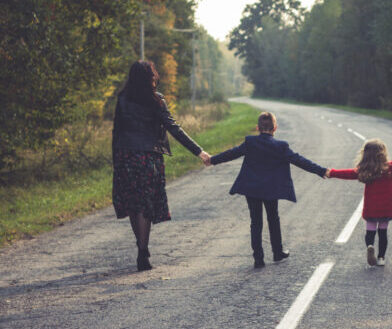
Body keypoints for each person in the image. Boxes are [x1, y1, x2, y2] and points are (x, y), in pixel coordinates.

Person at [112, 60, 210, 271]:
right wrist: (198, 151)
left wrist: (116, 160)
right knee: (146, 204)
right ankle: (143, 251)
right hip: (149, 158)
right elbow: (174, 128)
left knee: (132, 204)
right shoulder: (156, 100)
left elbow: (116, 131)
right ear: (151, 77)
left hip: (126, 156)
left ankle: (140, 245)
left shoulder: (122, 99)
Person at [208, 112, 327, 268]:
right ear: (275, 128)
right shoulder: (281, 146)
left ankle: (258, 259)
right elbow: (299, 160)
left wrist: (211, 160)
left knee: (255, 222)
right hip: (271, 190)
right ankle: (277, 253)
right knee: (273, 219)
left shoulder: (250, 142)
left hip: (252, 189)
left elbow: (232, 153)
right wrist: (321, 170)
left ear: (257, 128)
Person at [326, 139, 392, 266]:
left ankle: (370, 246)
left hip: (371, 208)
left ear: (365, 155)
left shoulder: (363, 170)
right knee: (383, 232)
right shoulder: (389, 168)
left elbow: (347, 174)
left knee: (370, 231)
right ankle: (381, 258)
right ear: (382, 154)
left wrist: (331, 173)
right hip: (386, 207)